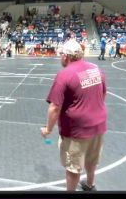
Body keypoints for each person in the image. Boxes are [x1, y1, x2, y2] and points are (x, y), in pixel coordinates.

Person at [41, 39, 107, 191]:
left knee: (73, 167)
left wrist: (48, 129)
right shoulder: (95, 69)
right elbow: (103, 93)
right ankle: (90, 184)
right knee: (92, 159)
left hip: (77, 130)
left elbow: (54, 107)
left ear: (66, 56)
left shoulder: (65, 75)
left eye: (61, 55)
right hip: (98, 125)